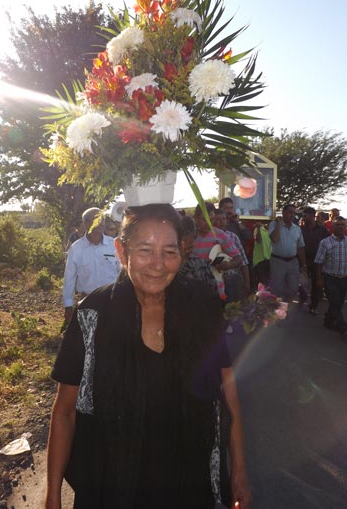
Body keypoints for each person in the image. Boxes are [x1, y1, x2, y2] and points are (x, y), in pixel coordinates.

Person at [46, 204, 251, 509]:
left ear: (182, 253)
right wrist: (52, 496)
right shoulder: (93, 315)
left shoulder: (202, 308)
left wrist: (238, 471)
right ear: (121, 251)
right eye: (145, 250)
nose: (157, 265)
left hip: (188, 485)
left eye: (169, 252)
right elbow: (64, 412)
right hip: (111, 488)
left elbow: (227, 390)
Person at [62, 207, 121, 325]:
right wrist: (68, 306)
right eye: (96, 219)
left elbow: (122, 272)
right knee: (88, 339)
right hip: (87, 301)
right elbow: (69, 278)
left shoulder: (113, 245)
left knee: (112, 339)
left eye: (103, 219)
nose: (101, 222)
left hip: (112, 301)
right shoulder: (76, 248)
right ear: (86, 223)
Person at [193, 202, 242, 300]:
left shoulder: (221, 235)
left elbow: (238, 258)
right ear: (195, 218)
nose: (208, 224)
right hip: (192, 291)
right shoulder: (188, 236)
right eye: (204, 220)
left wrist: (228, 265)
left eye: (211, 220)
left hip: (216, 293)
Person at [315, 216, 347, 338]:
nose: (340, 227)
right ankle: (343, 328)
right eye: (337, 225)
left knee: (338, 303)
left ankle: (328, 321)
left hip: (344, 278)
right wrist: (319, 279)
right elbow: (319, 262)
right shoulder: (325, 242)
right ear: (332, 227)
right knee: (334, 302)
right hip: (330, 278)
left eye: (342, 225)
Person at [269, 204, 307, 302]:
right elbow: (274, 239)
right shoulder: (274, 224)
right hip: (278, 261)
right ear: (283, 212)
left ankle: (286, 309)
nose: (292, 215)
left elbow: (300, 247)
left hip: (293, 262)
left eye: (294, 212)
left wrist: (303, 265)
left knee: (293, 288)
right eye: (290, 212)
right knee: (276, 289)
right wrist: (279, 225)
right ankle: (275, 313)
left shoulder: (297, 229)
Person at [213, 208, 250, 301]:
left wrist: (247, 282)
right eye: (218, 219)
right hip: (214, 282)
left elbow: (243, 261)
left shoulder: (233, 236)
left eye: (224, 219)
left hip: (233, 280)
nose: (221, 222)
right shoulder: (208, 238)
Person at [177, 214, 219, 297]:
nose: (186, 252)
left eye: (190, 247)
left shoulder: (200, 264)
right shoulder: (165, 267)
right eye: (181, 246)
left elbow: (213, 292)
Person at [300, 206, 329, 314]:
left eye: (305, 215)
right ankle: (302, 300)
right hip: (303, 260)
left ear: (312, 216)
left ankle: (313, 305)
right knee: (302, 283)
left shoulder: (322, 230)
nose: (303, 217)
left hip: (318, 262)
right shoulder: (300, 229)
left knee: (317, 284)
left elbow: (328, 243)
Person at [252, 222, 271, 288]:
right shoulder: (258, 229)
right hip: (260, 261)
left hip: (270, 260)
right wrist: (258, 228)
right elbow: (258, 240)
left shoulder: (273, 231)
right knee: (262, 286)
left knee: (269, 285)